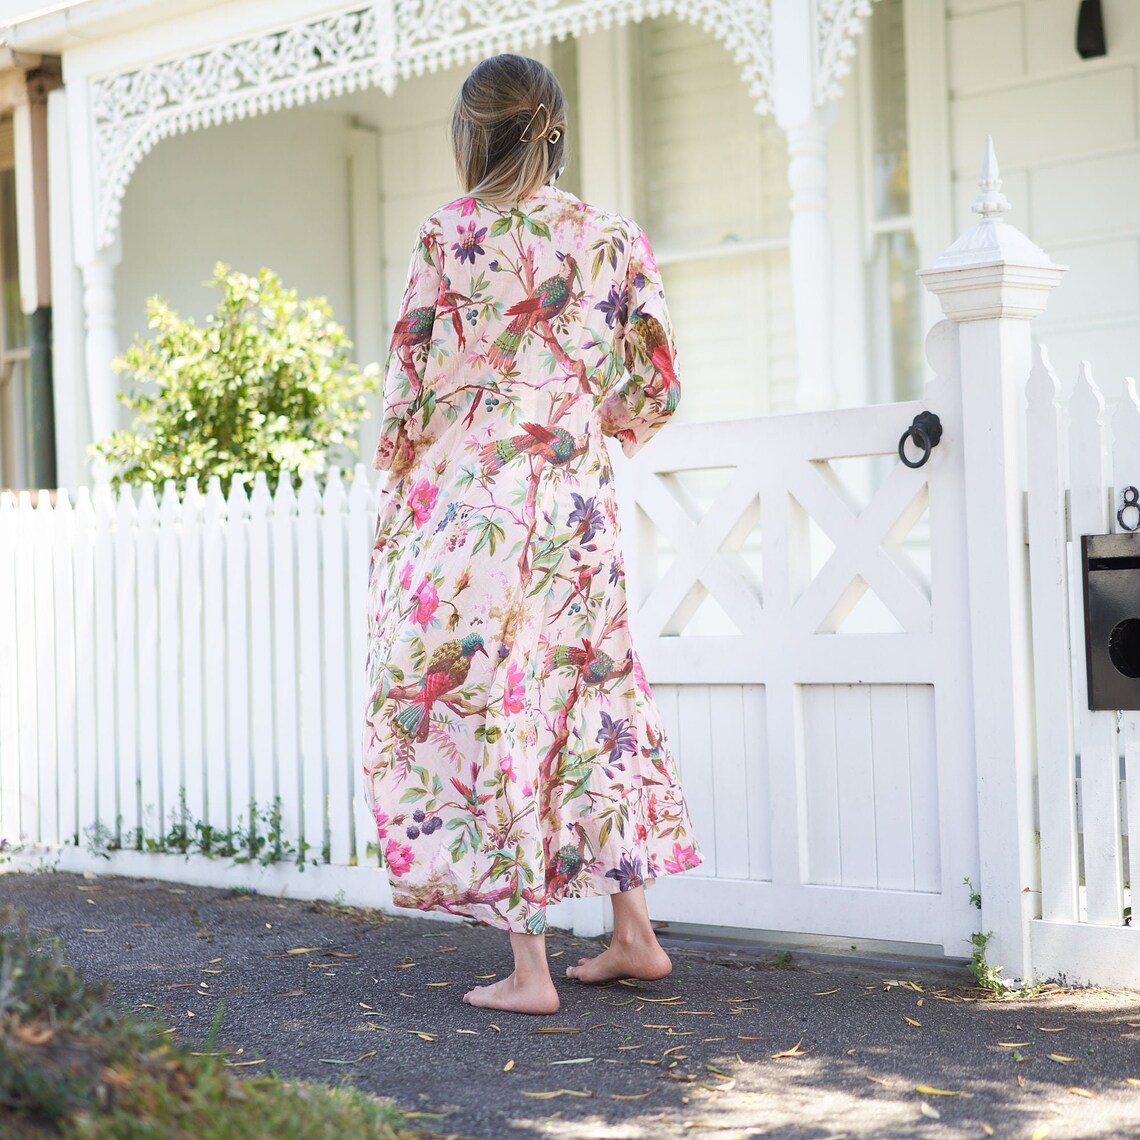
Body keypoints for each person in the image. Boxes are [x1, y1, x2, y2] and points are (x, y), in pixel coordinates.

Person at [362, 53, 700, 1015]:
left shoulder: (447, 234)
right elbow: (659, 387)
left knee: (499, 712)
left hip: (477, 509)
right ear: (552, 127)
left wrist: (406, 495)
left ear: (472, 136)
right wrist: (599, 430)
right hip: (577, 510)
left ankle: (530, 972)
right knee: (592, 697)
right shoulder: (612, 237)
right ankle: (634, 934)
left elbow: (405, 401)